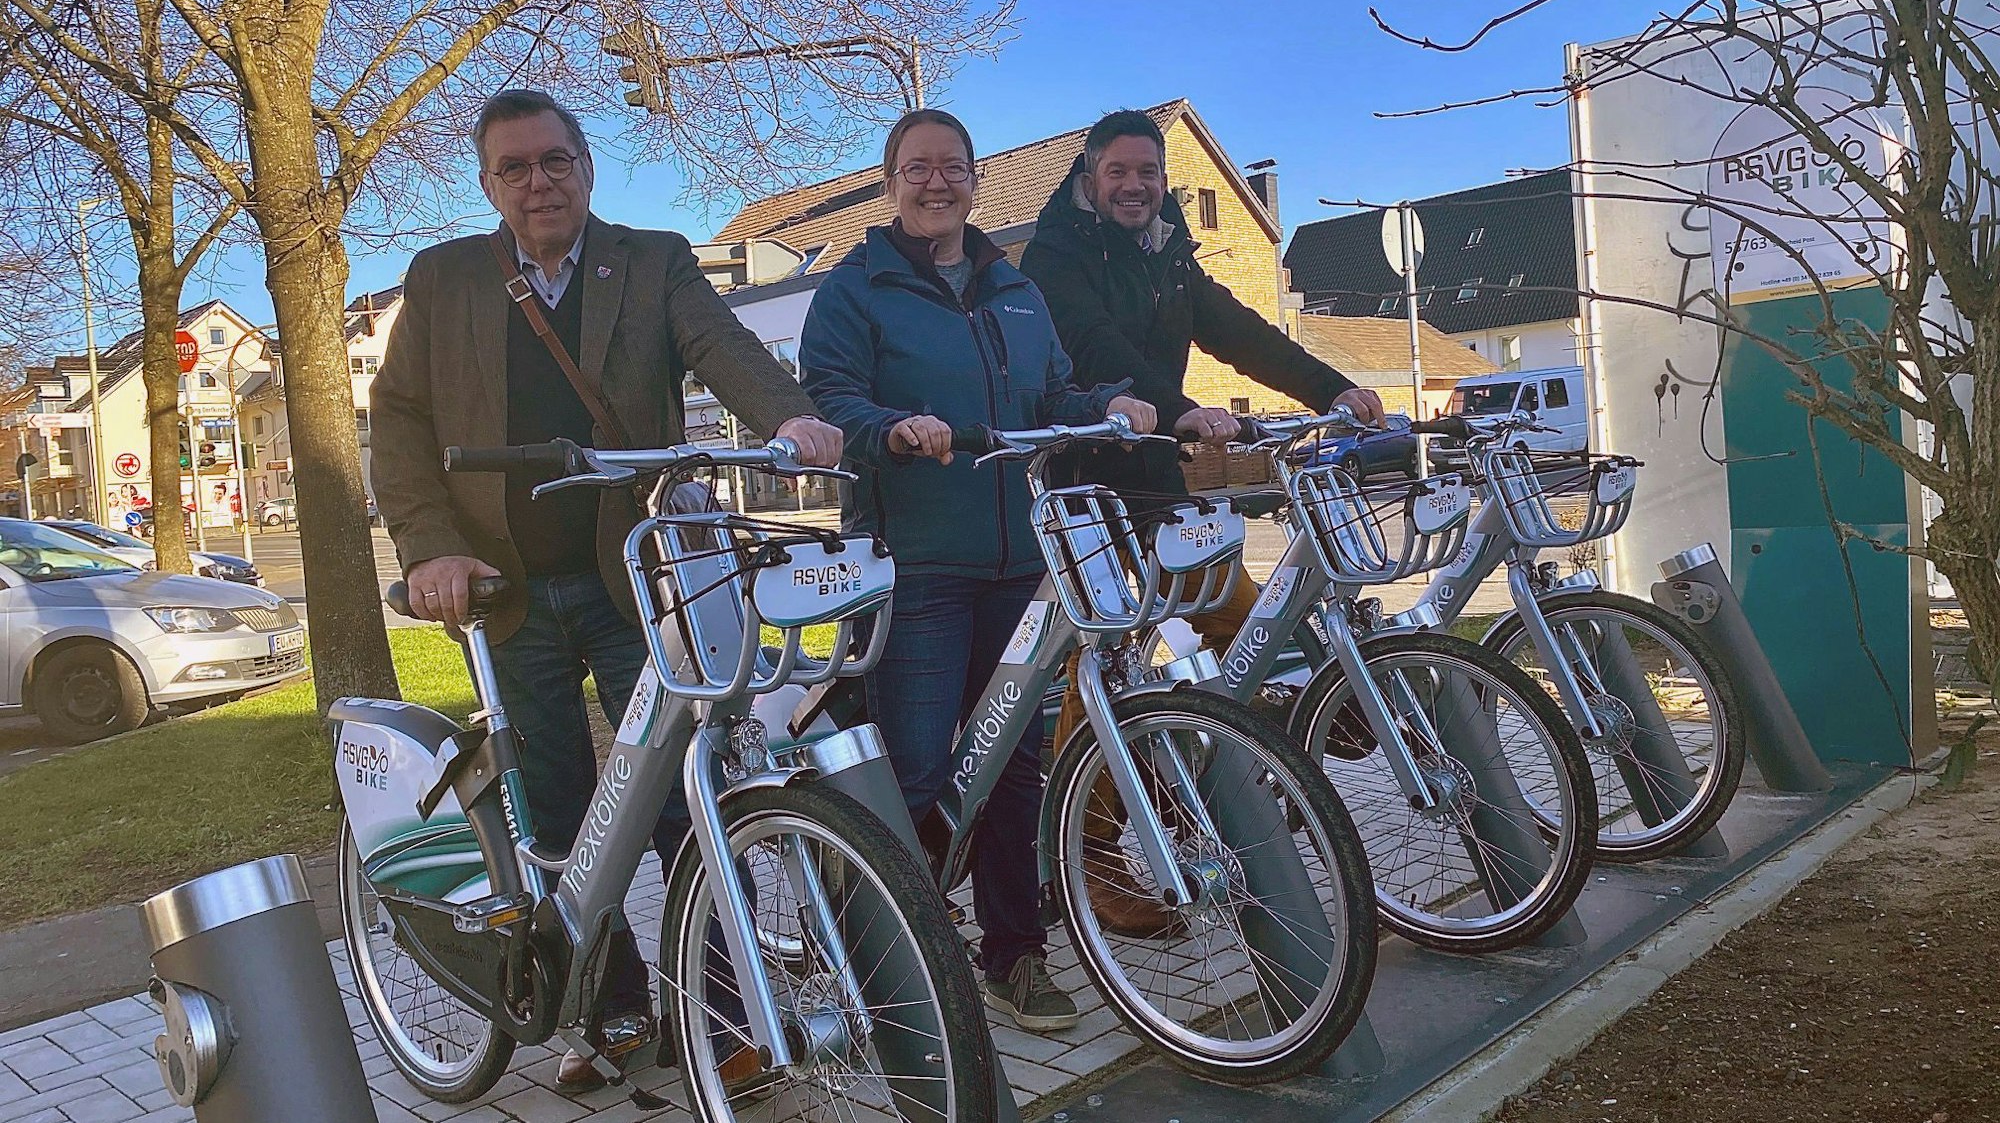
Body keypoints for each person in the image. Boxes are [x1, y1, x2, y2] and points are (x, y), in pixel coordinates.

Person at [370, 88, 843, 1089]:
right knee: (556, 814)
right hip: (506, 591)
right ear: (487, 182)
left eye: (555, 160)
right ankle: (608, 1007)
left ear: (586, 165)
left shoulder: (655, 259)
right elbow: (401, 420)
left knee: (685, 797)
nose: (538, 182)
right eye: (515, 168)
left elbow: (722, 346)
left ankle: (722, 1013)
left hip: (638, 579)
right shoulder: (444, 276)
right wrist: (426, 547)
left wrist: (792, 419)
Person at [800, 108, 1157, 1033]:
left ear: (974, 181)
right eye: (917, 169)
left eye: (952, 168)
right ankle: (899, 950)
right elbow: (832, 396)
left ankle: (1017, 956)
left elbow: (1052, 393)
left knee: (1011, 768)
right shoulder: (854, 289)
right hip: (916, 567)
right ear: (890, 183)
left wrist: (1110, 405)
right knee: (914, 772)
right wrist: (891, 428)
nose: (936, 183)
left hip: (1017, 566)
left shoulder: (1016, 288)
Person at [1021, 109, 1384, 938]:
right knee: (1105, 666)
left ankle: (1211, 770)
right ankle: (1088, 853)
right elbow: (1093, 345)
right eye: (1118, 171)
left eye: (1147, 172)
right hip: (1087, 487)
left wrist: (1329, 389)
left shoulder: (1170, 258)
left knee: (1241, 620)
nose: (1134, 185)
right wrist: (1182, 410)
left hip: (1156, 479)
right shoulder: (1056, 256)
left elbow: (1246, 336)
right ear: (1089, 175)